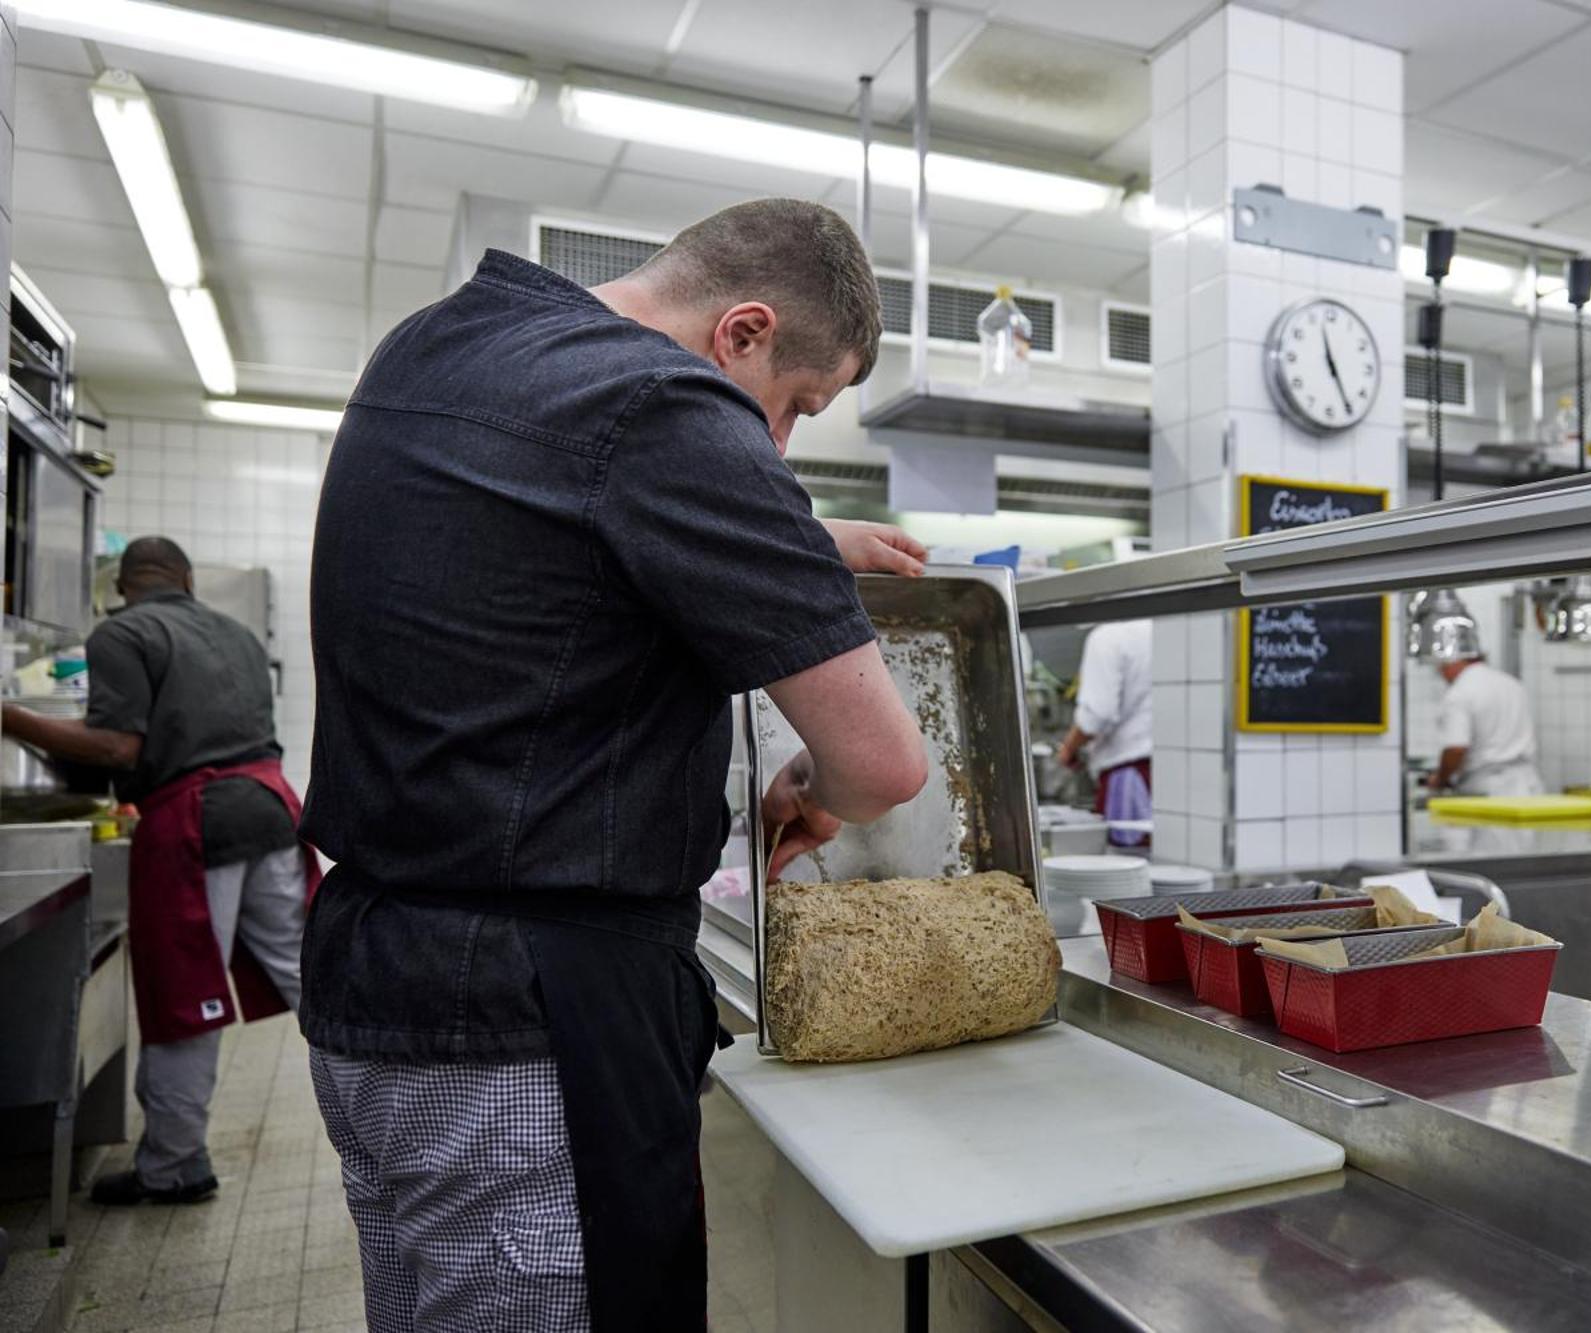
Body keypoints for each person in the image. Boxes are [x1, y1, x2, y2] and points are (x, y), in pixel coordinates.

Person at [300, 198, 931, 1332]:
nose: (775, 446)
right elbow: (882, 766)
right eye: (794, 407)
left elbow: (547, 519)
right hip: (528, 1030)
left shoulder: (444, 340)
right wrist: (811, 793)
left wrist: (784, 525)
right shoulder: (664, 403)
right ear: (742, 331)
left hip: (375, 988)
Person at [1, 537, 312, 1205]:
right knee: (315, 978)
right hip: (272, 809)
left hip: (197, 822)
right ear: (187, 578)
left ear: (123, 586)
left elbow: (117, 745)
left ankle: (174, 1165)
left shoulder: (122, 631)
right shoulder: (236, 632)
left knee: (185, 1000)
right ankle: (404, 1113)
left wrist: (11, 716)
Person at [1056, 619, 1152, 844]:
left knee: (1124, 861)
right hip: (1167, 772)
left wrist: (1068, 749)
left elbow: (1097, 715)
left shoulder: (1106, 637)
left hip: (1129, 774)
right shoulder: (1163, 626)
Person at [1427, 652, 1544, 798]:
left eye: (1441, 667)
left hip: (1488, 789)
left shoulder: (1460, 693)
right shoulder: (1511, 683)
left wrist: (1440, 779)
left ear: (1454, 662)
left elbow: (1456, 748)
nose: (1442, 674)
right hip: (1527, 784)